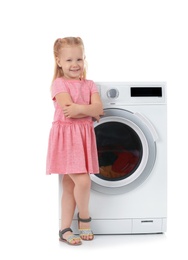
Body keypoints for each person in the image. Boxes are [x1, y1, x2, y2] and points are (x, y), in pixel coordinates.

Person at [46, 37, 103, 246]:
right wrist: (87, 109)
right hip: (67, 139)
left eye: (79, 59)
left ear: (84, 59)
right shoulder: (58, 83)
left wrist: (81, 109)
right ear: (59, 61)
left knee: (70, 185)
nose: (75, 64)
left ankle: (64, 229)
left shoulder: (90, 84)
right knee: (84, 181)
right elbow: (68, 110)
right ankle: (84, 219)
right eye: (69, 60)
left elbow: (99, 109)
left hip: (83, 137)